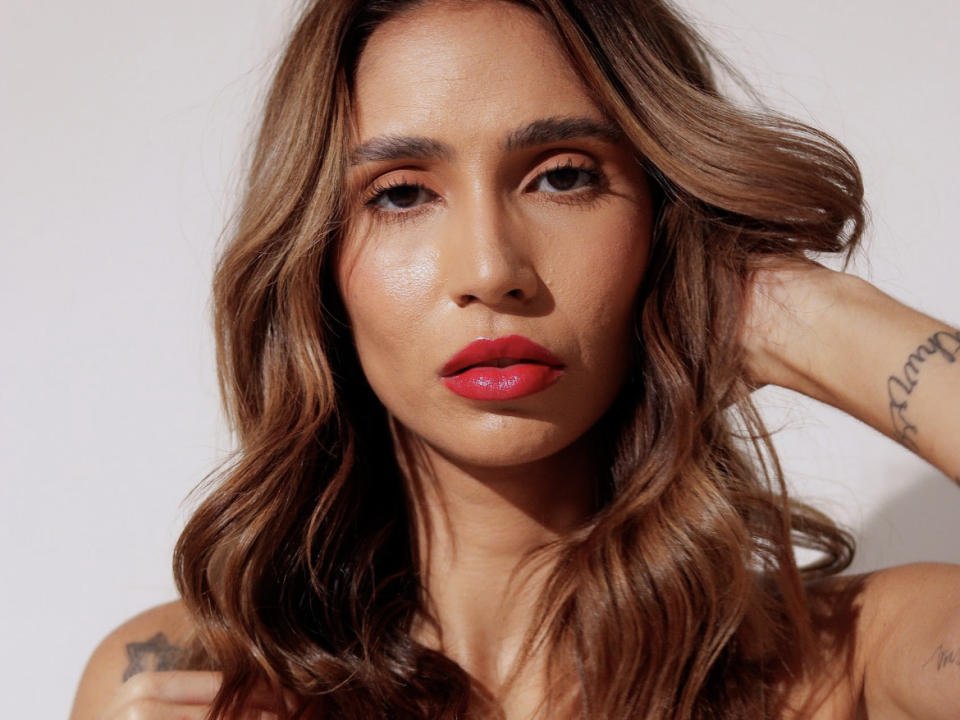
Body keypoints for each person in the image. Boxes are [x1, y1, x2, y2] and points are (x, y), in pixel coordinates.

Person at [69, 0, 960, 718]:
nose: (492, 269)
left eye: (564, 176)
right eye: (402, 194)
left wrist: (808, 317)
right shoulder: (184, 683)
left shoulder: (851, 661)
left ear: (661, 220)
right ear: (316, 263)